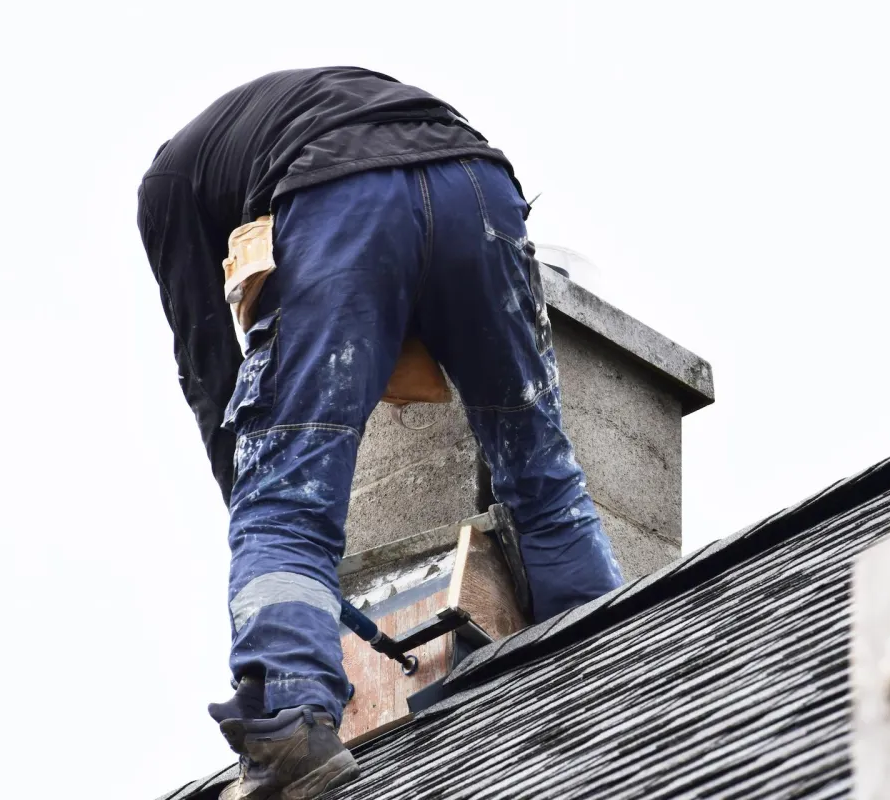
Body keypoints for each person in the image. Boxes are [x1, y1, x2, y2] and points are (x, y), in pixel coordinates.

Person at [136, 67, 624, 799]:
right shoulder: (283, 114)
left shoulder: (166, 185)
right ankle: (617, 668)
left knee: (286, 508)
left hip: (343, 196)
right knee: (543, 478)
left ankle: (293, 730)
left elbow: (207, 359)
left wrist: (253, 499)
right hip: (477, 184)